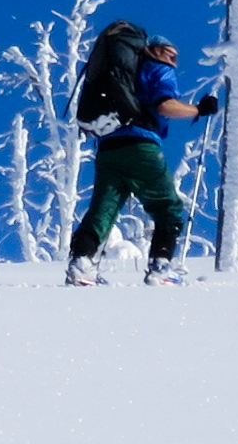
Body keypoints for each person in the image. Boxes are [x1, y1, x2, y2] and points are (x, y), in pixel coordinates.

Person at [67, 36, 214, 285]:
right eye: (168, 52)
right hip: (141, 145)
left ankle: (81, 264)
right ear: (152, 50)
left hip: (109, 148)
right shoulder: (157, 70)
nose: (172, 59)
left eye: (174, 55)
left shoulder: (119, 76)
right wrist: (199, 110)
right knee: (168, 207)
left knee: (103, 210)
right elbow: (165, 106)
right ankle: (161, 267)